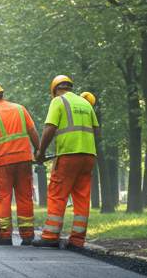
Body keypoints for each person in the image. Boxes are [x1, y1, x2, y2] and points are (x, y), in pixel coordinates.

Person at [33, 75, 101, 252]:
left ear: (55, 89)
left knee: (57, 193)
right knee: (82, 196)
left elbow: (50, 128)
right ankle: (77, 240)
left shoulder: (58, 101)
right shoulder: (86, 103)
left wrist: (40, 152)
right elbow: (96, 131)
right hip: (88, 155)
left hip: (68, 155)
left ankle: (50, 236)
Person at [0, 81, 40, 246]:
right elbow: (33, 131)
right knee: (25, 196)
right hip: (24, 159)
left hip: (4, 163)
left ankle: (5, 236)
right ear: (2, 94)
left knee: (2, 198)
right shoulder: (20, 108)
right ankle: (27, 236)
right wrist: (39, 151)